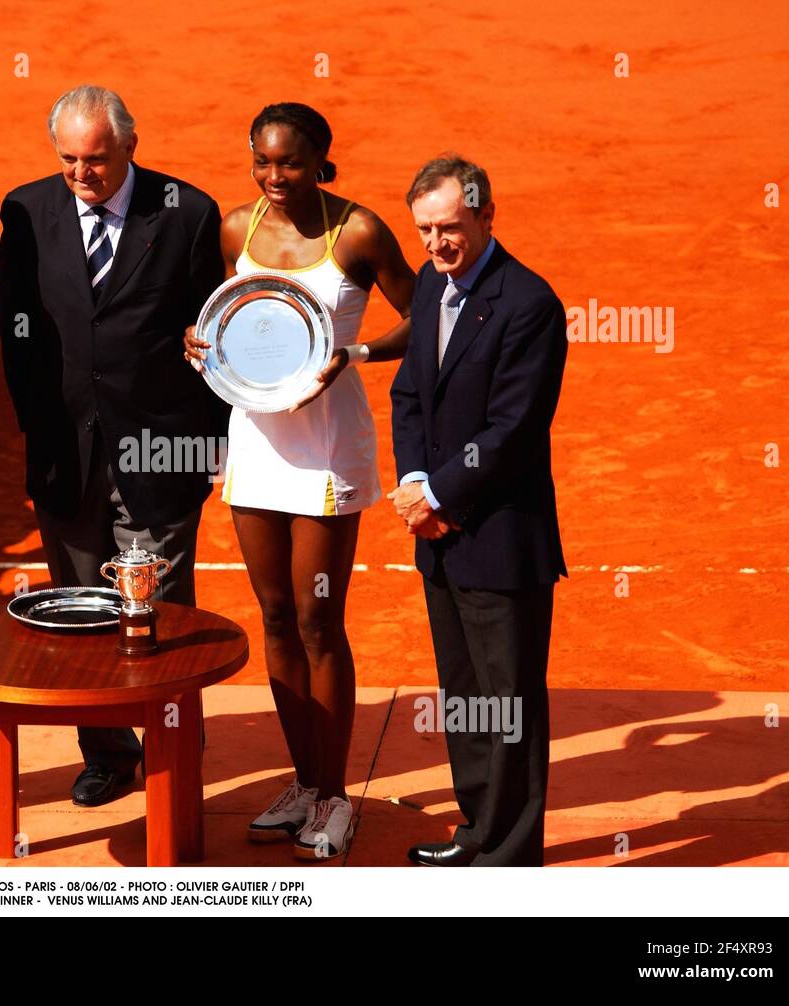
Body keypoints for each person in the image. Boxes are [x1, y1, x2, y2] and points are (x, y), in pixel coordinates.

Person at [183, 103, 415, 858]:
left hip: (324, 448)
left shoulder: (359, 232)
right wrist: (201, 344)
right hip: (253, 440)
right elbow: (231, 321)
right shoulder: (235, 229)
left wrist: (360, 356)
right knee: (276, 616)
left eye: (289, 162)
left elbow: (430, 315)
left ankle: (338, 796)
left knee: (319, 622)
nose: (274, 177)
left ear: (322, 160)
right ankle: (306, 783)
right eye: (262, 161)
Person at [0, 84, 227, 807]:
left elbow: (209, 337)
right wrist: (37, 430)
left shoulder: (187, 213)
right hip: (67, 449)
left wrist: (207, 444)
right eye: (67, 158)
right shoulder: (25, 211)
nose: (80, 174)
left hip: (162, 449)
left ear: (131, 144)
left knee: (158, 604)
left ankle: (172, 747)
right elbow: (18, 332)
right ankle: (105, 751)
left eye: (95, 159)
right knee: (77, 606)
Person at [390, 155, 567, 867]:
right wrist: (411, 482)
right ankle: (476, 832)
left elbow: (514, 428)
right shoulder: (434, 288)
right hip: (439, 536)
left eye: (450, 228)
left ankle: (512, 854)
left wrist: (437, 496)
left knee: (509, 700)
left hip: (499, 538)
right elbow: (410, 395)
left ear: (487, 217)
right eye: (426, 230)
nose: (436, 245)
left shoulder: (529, 304)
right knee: (465, 695)